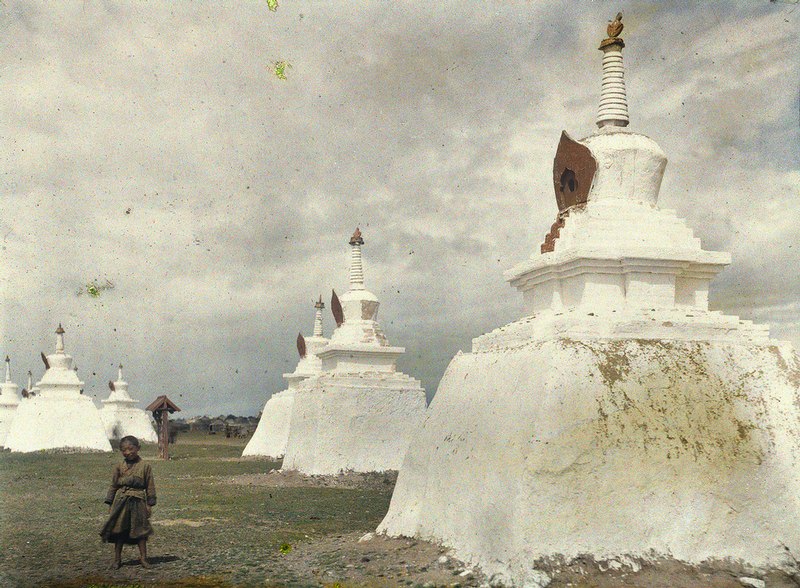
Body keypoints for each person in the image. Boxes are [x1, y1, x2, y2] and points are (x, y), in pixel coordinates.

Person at [100, 435, 156, 569]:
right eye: (124, 450)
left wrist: (149, 504)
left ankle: (143, 558)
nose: (128, 452)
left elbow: (150, 485)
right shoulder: (119, 466)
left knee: (141, 531)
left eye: (131, 449)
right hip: (121, 501)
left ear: (138, 448)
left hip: (138, 501)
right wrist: (110, 503)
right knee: (119, 531)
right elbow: (113, 485)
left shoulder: (145, 466)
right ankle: (117, 560)